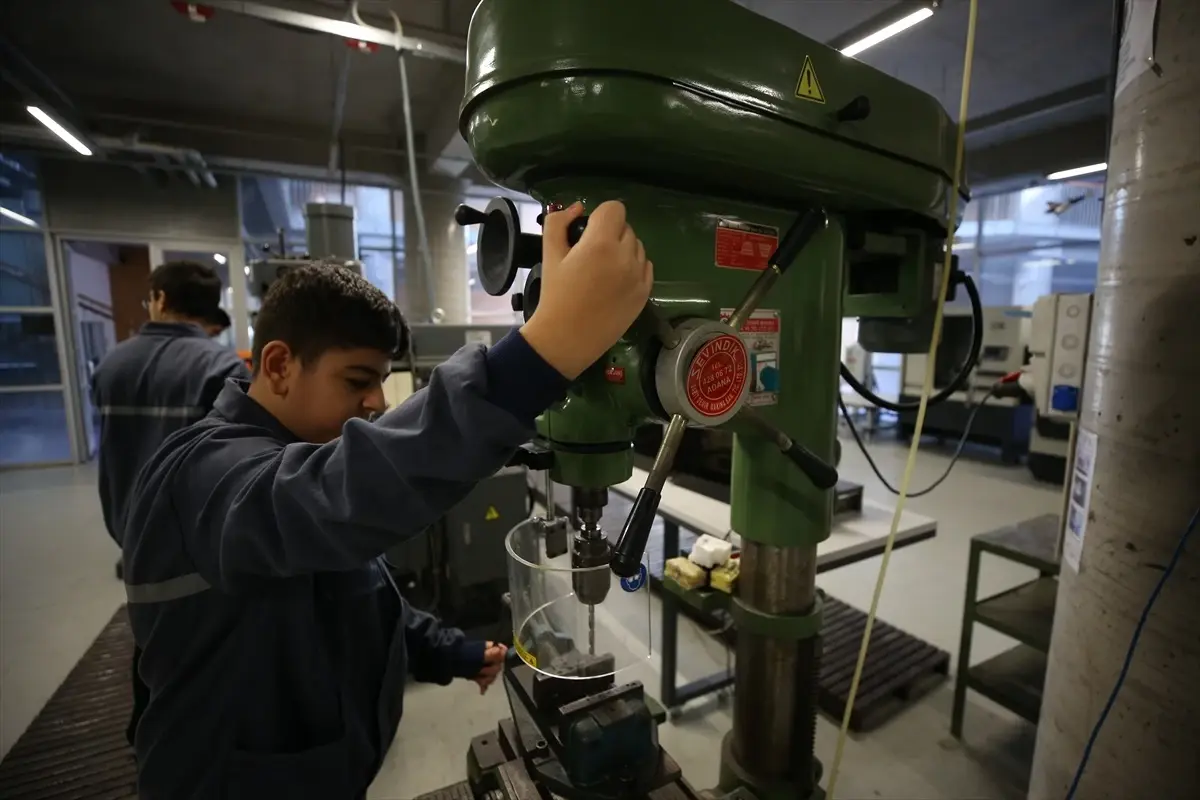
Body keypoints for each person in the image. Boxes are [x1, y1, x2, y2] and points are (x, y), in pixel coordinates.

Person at [121, 201, 653, 798]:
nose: (375, 402)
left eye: (379, 381)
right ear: (278, 366)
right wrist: (544, 350)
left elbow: (364, 602)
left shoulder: (292, 456)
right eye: (356, 380)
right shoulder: (199, 475)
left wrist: (457, 651)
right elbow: (341, 497)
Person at [91, 259, 250, 749]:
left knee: (149, 639)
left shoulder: (112, 364)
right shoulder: (222, 368)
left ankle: (149, 734)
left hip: (130, 536)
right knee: (201, 657)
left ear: (159, 299)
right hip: (194, 547)